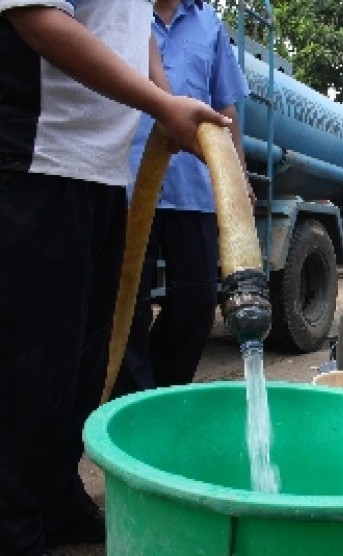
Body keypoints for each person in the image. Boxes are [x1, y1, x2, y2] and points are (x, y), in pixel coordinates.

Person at [0, 2, 230, 554]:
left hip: (102, 173)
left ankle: (52, 498)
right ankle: (11, 522)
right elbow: (37, 18)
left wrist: (165, 100)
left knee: (83, 364)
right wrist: (158, 102)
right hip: (40, 159)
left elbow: (131, 33)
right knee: (28, 364)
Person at [112, 0, 250, 397]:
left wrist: (238, 176)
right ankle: (133, 402)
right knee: (126, 304)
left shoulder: (209, 23)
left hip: (195, 187)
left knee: (198, 300)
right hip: (128, 183)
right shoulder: (126, 12)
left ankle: (166, 394)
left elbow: (224, 108)